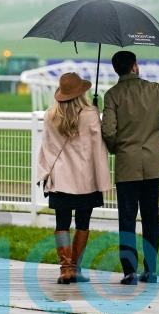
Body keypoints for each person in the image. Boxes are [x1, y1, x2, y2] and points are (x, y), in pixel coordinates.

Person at [101, 51, 159, 285]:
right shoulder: (155, 90)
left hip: (127, 165)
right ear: (135, 66)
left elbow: (108, 131)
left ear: (116, 69)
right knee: (150, 218)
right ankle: (151, 270)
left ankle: (129, 272)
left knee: (127, 219)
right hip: (152, 164)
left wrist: (115, 148)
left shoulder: (112, 95)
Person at [38, 72, 111, 284]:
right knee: (82, 222)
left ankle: (65, 269)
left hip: (60, 179)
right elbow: (97, 148)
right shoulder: (90, 114)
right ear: (81, 93)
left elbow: (47, 147)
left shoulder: (50, 116)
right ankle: (76, 268)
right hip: (85, 180)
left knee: (62, 223)